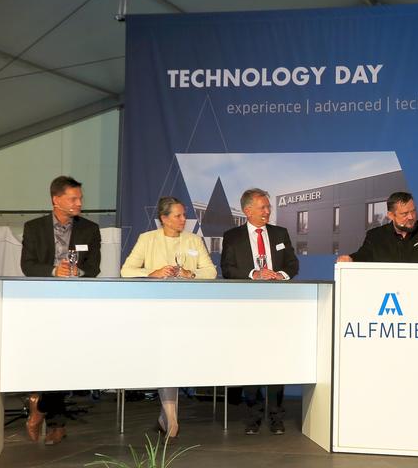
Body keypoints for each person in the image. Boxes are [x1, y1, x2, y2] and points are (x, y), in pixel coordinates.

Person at [120, 196, 217, 441]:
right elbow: (126, 270)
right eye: (178, 215)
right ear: (163, 218)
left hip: (188, 311)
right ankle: (171, 418)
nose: (184, 220)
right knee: (165, 358)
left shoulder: (194, 240)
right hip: (156, 310)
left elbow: (211, 272)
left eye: (184, 215)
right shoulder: (147, 239)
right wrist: (151, 273)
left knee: (176, 358)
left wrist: (190, 273)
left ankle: (168, 418)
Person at [20, 175, 101, 445]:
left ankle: (41, 408)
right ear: (56, 200)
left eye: (80, 198)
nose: (79, 203)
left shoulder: (90, 229)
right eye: (73, 198)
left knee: (69, 359)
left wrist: (79, 271)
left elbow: (95, 268)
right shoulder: (34, 227)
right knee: (50, 358)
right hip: (43, 302)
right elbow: (28, 266)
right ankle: (56, 422)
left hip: (76, 303)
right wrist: (55, 270)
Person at [221, 188, 299, 435]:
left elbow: (293, 265)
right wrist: (254, 274)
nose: (268, 211)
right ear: (248, 211)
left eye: (269, 207)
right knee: (251, 361)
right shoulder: (232, 236)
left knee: (277, 361)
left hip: (277, 307)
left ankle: (276, 416)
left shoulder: (280, 233)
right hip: (247, 308)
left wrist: (281, 275)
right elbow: (227, 269)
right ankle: (253, 417)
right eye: (263, 207)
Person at [336, 191, 418, 271]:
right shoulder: (375, 236)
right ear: (391, 215)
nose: (411, 217)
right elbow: (363, 255)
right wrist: (350, 259)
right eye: (405, 213)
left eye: (413, 211)